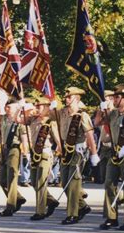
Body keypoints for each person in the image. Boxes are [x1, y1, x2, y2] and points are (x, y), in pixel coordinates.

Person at [50, 87, 100, 225]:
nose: (65, 99)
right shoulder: (62, 112)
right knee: (65, 182)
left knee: (73, 183)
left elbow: (90, 135)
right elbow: (50, 116)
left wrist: (94, 154)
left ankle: (73, 214)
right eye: (65, 97)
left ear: (76, 99)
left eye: (68, 97)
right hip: (66, 149)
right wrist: (51, 107)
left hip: (78, 150)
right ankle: (83, 206)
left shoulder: (82, 116)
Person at [95, 84, 124, 231]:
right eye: (114, 97)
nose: (114, 99)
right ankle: (111, 217)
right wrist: (100, 110)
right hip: (114, 152)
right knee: (109, 183)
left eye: (117, 97)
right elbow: (97, 123)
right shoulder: (113, 114)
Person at [28, 97, 62, 220]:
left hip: (45, 153)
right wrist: (24, 107)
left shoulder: (50, 122)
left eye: (40, 106)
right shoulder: (33, 119)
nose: (37, 108)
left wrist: (61, 151)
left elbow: (58, 140)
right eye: (36, 106)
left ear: (47, 107)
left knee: (41, 183)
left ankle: (40, 211)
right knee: (33, 181)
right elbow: (18, 119)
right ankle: (51, 201)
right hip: (34, 154)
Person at [0, 98, 29, 216]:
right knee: (1, 179)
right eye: (6, 106)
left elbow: (24, 140)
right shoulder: (4, 119)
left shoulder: (20, 122)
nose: (6, 108)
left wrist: (26, 154)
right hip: (4, 149)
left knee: (12, 178)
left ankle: (10, 206)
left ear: (16, 108)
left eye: (9, 107)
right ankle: (18, 198)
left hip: (14, 149)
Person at [94, 90, 115, 184]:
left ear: (111, 99)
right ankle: (118, 196)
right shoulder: (103, 113)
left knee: (111, 176)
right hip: (103, 146)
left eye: (105, 99)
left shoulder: (115, 113)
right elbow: (96, 123)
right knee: (103, 174)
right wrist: (100, 111)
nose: (103, 102)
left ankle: (117, 195)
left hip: (113, 146)